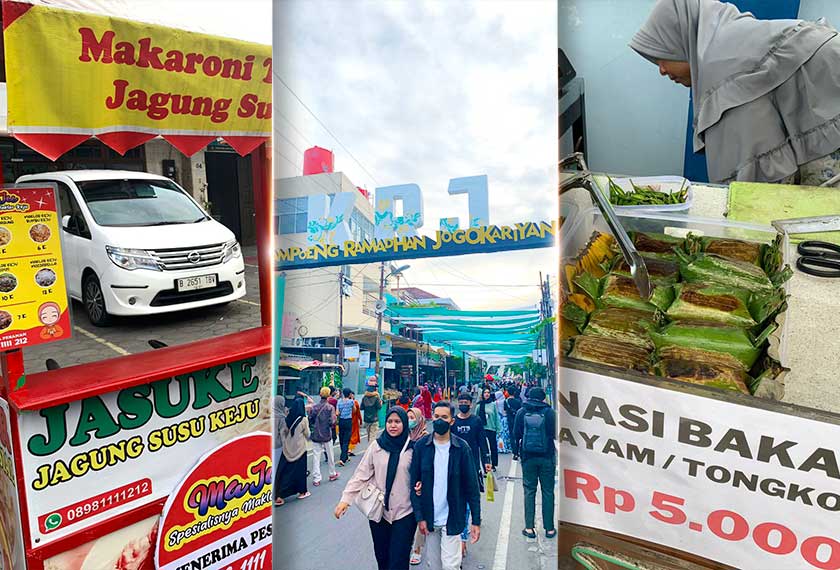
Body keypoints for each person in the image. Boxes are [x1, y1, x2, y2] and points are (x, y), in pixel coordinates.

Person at [631, 0, 840, 185]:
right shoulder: (732, 40)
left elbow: (757, 175)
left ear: (682, 38)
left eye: (662, 56)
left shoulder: (721, 66)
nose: (662, 70)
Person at [335, 407, 417, 570]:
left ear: (405, 424)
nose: (393, 425)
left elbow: (423, 476)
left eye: (397, 422)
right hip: (380, 513)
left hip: (405, 513)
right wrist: (345, 500)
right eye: (389, 422)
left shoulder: (413, 449)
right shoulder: (376, 446)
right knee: (382, 557)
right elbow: (360, 475)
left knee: (399, 560)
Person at [410, 401, 481, 570]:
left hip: (453, 517)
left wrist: (476, 521)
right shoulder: (421, 447)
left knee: (450, 566)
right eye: (436, 416)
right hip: (430, 518)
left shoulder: (462, 449)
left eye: (444, 417)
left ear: (451, 421)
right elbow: (413, 484)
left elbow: (472, 487)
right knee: (434, 565)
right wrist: (420, 517)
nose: (439, 420)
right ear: (431, 418)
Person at [511, 386, 557, 539]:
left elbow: (516, 434)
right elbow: (555, 434)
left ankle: (529, 528)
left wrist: (516, 453)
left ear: (529, 396)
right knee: (548, 491)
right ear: (544, 398)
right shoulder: (550, 413)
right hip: (547, 456)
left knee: (529, 491)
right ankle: (549, 529)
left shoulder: (522, 412)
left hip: (528, 457)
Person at [453, 392, 490, 558]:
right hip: (454, 469)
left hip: (473, 467)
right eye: (460, 401)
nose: (463, 404)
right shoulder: (453, 422)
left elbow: (482, 441)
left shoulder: (476, 421)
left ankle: (463, 539)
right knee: (456, 502)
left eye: (466, 402)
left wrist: (486, 460)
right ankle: (459, 538)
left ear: (470, 403)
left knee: (469, 501)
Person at [275, 398, 311, 505]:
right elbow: (307, 434)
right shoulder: (303, 419)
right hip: (299, 449)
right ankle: (302, 492)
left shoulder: (287, 418)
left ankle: (279, 495)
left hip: (287, 449)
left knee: (285, 472)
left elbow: (283, 433)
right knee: (300, 472)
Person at [406, 407, 428, 566]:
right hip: (404, 481)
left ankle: (418, 549)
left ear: (419, 419)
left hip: (420, 481)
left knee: (420, 515)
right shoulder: (403, 436)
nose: (409, 420)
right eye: (407, 417)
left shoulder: (426, 438)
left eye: (412, 417)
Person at [309, 387, 340, 486]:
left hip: (316, 435)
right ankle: (332, 473)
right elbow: (333, 421)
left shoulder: (314, 407)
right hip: (327, 434)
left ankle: (316, 478)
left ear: (320, 394)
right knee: (330, 455)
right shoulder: (330, 408)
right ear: (329, 395)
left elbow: (310, 419)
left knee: (316, 456)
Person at [476, 388, 500, 471]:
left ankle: (493, 464)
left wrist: (498, 429)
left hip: (491, 428)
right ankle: (485, 466)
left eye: (488, 392)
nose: (487, 394)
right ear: (482, 394)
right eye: (485, 393)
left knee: (493, 447)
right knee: (484, 449)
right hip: (482, 429)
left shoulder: (493, 405)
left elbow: (496, 417)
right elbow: (476, 418)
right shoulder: (479, 405)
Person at [337, 387, 356, 466]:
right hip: (348, 421)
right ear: (349, 394)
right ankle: (342, 458)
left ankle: (345, 455)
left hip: (341, 421)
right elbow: (354, 410)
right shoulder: (351, 402)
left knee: (341, 438)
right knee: (346, 440)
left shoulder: (339, 402)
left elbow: (337, 413)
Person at [362, 377, 384, 442]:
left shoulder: (364, 397)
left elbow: (361, 407)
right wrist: (381, 402)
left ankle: (369, 449)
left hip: (366, 419)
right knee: (373, 436)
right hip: (374, 419)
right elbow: (379, 407)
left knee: (369, 436)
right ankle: (371, 450)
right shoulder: (376, 397)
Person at [495, 390, 511, 454]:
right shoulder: (505, 401)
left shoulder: (495, 402)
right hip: (505, 419)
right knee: (506, 434)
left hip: (499, 419)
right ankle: (506, 447)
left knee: (499, 434)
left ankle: (500, 448)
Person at [349, 390, 363, 457]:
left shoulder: (343, 402)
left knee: (348, 436)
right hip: (354, 422)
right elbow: (358, 413)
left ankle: (348, 449)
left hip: (346, 421)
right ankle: (350, 450)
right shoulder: (355, 403)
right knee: (354, 436)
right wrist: (360, 420)